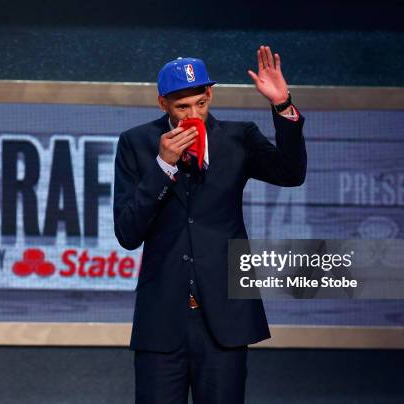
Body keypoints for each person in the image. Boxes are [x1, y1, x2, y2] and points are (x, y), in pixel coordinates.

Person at [113, 45, 307, 404]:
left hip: (225, 320)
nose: (194, 115)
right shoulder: (136, 144)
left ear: (210, 95)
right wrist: (163, 166)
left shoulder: (238, 137)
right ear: (163, 104)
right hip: (162, 322)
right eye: (182, 107)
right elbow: (127, 233)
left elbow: (291, 173)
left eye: (200, 103)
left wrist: (282, 106)